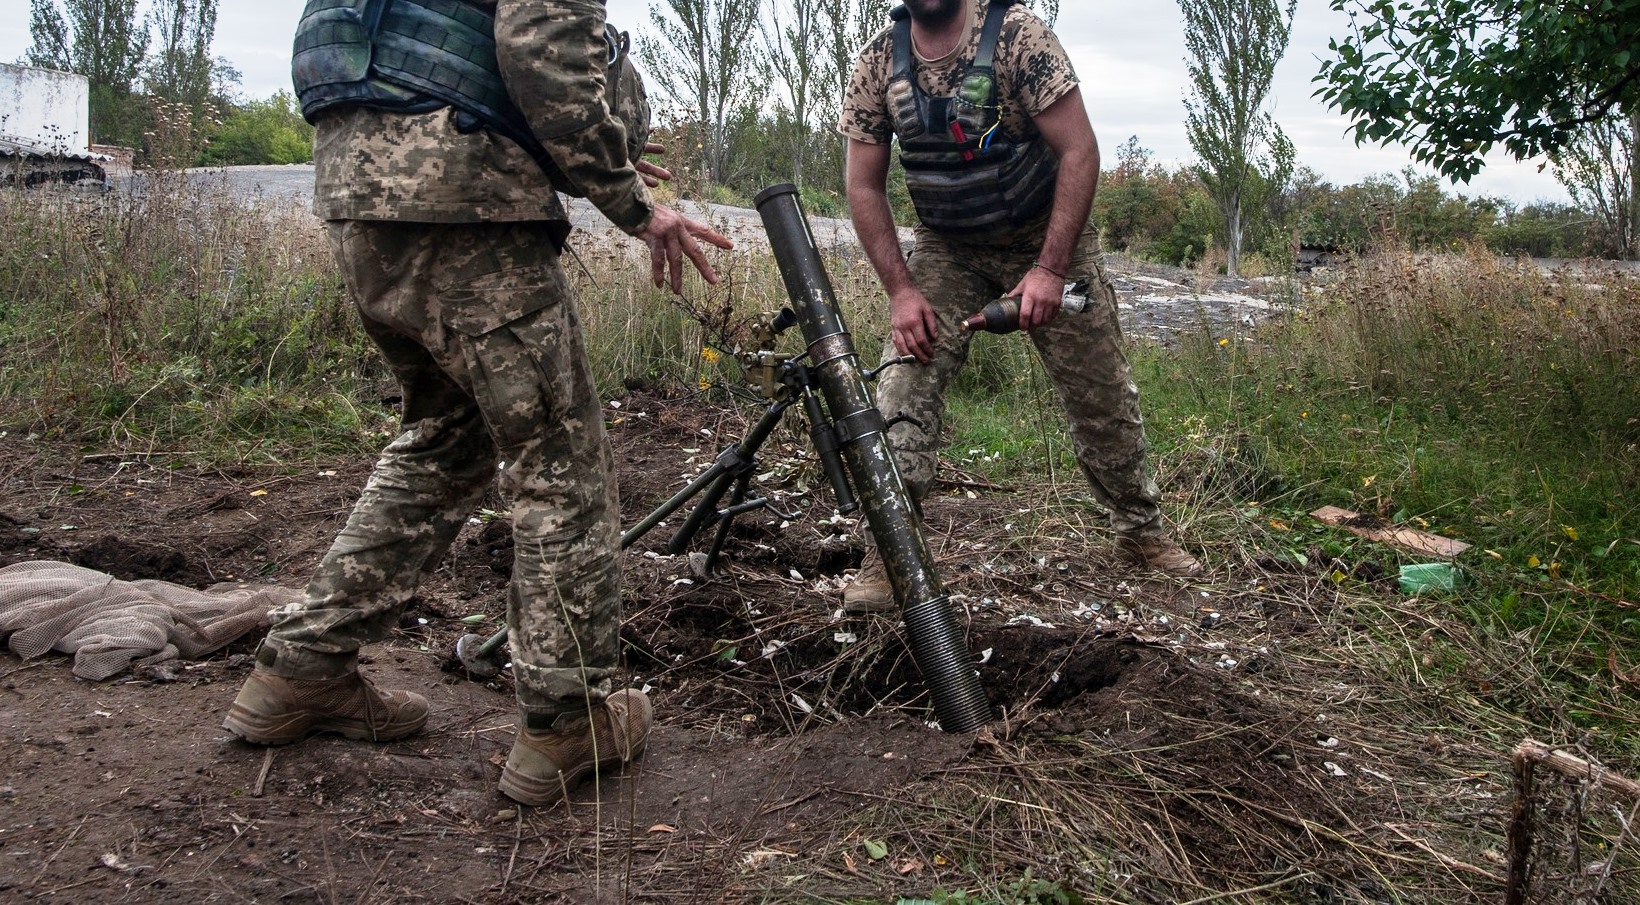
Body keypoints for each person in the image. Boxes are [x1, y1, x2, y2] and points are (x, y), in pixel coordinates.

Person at [221, 0, 732, 809]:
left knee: (447, 439)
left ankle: (303, 669)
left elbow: (399, 56)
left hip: (358, 192)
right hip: (466, 204)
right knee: (559, 465)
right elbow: (539, 48)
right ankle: (566, 719)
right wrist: (632, 201)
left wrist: (596, 145)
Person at [838, 0, 1200, 612]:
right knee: (902, 387)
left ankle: (1142, 534)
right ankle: (888, 555)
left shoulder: (1017, 35)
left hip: (1046, 235)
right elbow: (862, 184)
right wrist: (902, 291)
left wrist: (1051, 269)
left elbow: (1080, 150)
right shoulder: (878, 61)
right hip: (947, 248)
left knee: (1101, 393)